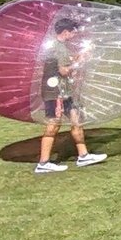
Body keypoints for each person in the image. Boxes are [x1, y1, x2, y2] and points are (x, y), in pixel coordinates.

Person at [35, 18, 106, 174]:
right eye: (73, 32)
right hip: (55, 92)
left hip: (64, 91)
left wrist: (81, 55)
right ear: (66, 32)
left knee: (76, 121)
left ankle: (83, 155)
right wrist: (79, 61)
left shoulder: (60, 46)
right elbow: (64, 71)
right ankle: (43, 163)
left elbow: (66, 62)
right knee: (54, 124)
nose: (75, 35)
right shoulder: (57, 47)